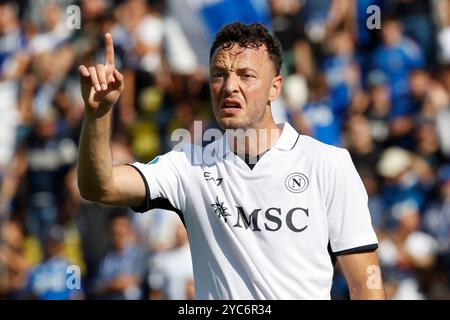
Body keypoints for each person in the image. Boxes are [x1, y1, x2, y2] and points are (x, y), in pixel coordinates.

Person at [77, 22, 385, 299]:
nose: (229, 86)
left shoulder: (328, 164)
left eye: (246, 75)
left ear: (274, 87)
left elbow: (366, 286)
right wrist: (98, 114)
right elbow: (99, 187)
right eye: (219, 75)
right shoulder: (189, 164)